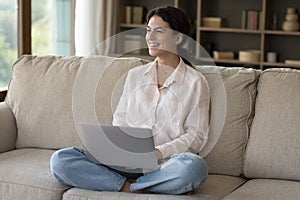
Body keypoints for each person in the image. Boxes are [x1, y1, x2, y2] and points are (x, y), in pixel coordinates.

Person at [50, 5, 210, 195]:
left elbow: (196, 135)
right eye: (148, 31)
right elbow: (120, 120)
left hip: (166, 163)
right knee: (61, 159)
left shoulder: (195, 82)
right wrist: (123, 150)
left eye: (159, 31)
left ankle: (128, 184)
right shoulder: (135, 76)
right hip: (124, 162)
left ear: (178, 37)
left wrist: (158, 152)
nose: (150, 37)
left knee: (194, 168)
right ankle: (136, 186)